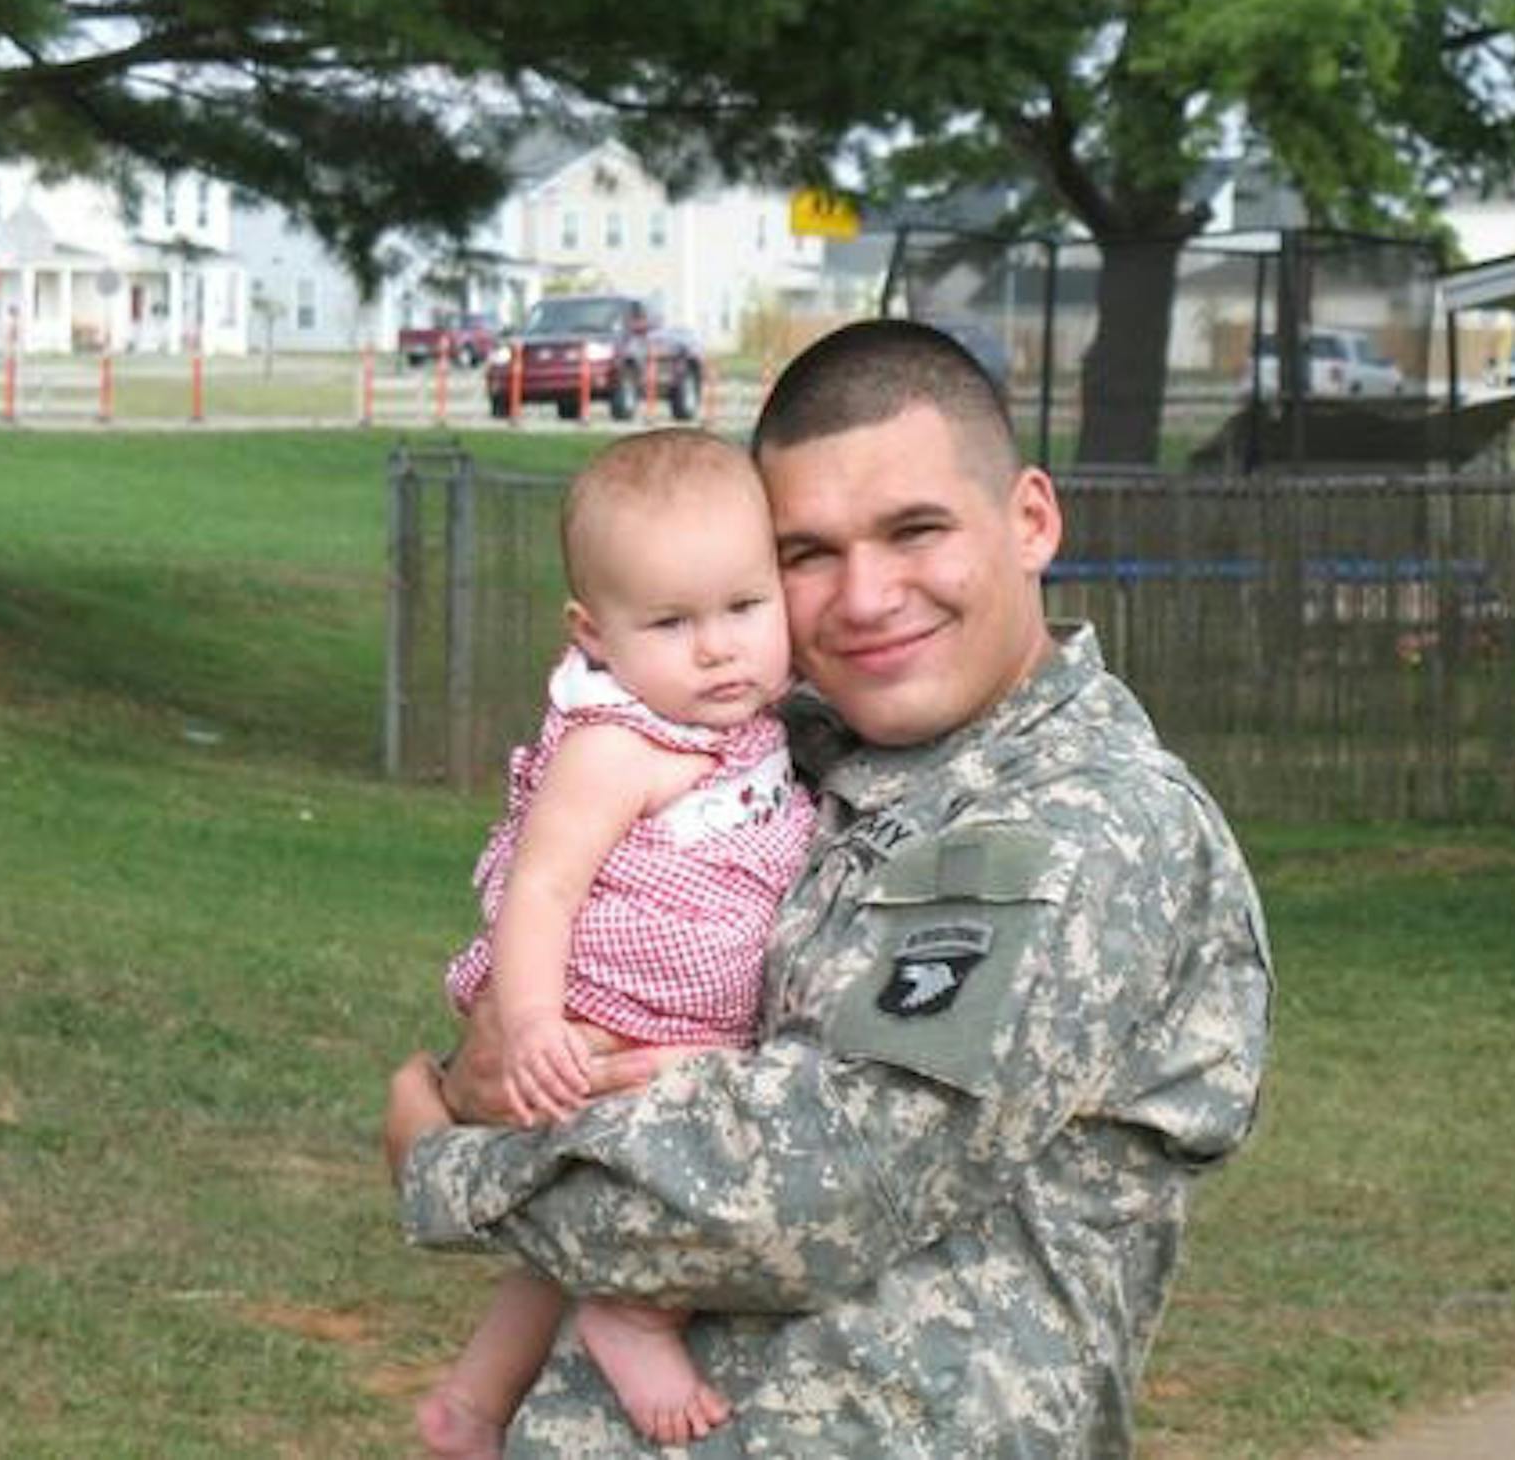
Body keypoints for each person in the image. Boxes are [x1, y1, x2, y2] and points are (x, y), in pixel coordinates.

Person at [386, 317, 1274, 1456]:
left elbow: (814, 1190)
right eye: (807, 554)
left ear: (1030, 521)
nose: (863, 596)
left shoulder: (1082, 824)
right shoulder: (782, 754)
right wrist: (499, 1063)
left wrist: (441, 1160)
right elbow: (542, 1005)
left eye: (915, 531)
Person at [414, 429, 817, 1456]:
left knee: (558, 1248)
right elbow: (543, 888)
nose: (719, 646)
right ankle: (636, 1314)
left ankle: (470, 1403)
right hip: (608, 1021)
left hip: (681, 1023)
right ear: (594, 635)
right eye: (672, 622)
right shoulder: (616, 744)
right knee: (678, 1176)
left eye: (743, 607)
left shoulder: (754, 721)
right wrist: (539, 1022)